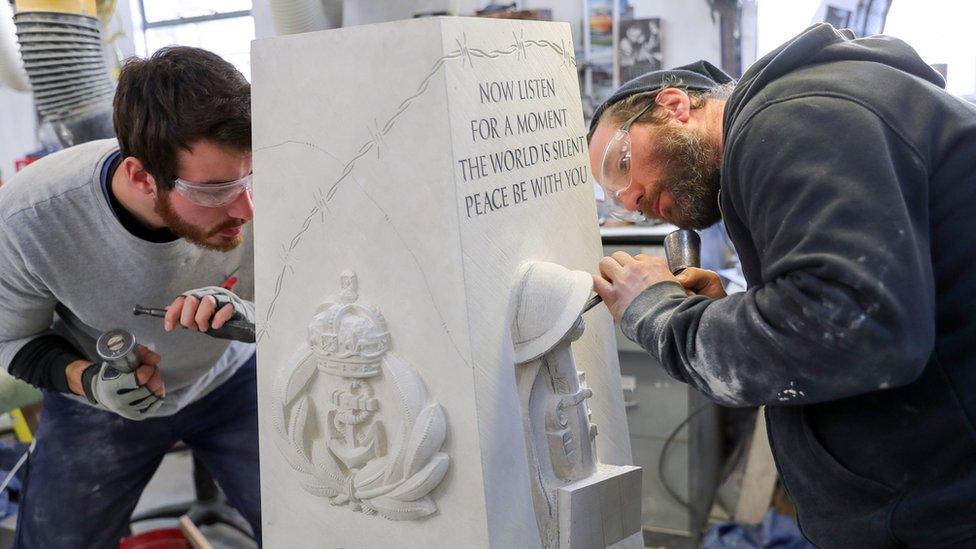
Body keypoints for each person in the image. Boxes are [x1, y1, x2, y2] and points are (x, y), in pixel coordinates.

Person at [589, 24, 976, 546]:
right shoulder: (794, 121)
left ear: (674, 105)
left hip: (943, 513)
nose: (630, 200)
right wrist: (734, 311)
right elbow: (858, 300)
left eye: (624, 163)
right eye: (616, 200)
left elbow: (855, 329)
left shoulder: (794, 118)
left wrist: (661, 315)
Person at [0, 46, 259, 547]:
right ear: (142, 176)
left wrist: (261, 319)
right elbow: (11, 341)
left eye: (250, 179)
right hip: (98, 406)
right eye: (215, 190)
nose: (246, 208)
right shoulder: (30, 218)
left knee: (318, 517)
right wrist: (90, 381)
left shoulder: (265, 179)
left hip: (229, 380)